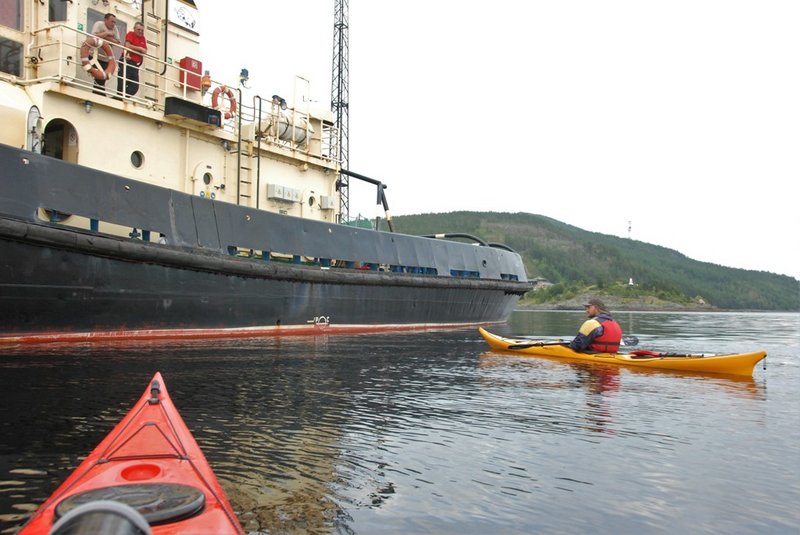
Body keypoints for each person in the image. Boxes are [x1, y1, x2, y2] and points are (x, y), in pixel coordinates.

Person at [91, 13, 120, 95]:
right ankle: (100, 95)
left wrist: (103, 36)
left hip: (106, 59)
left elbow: (117, 42)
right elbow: (93, 36)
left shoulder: (115, 28)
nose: (113, 24)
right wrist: (106, 33)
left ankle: (98, 94)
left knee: (102, 78)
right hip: (94, 56)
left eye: (115, 22)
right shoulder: (99, 24)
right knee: (99, 78)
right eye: (112, 22)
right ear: (105, 20)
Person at [117, 22, 147, 98]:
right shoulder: (131, 34)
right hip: (126, 61)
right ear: (134, 29)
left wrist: (135, 48)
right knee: (122, 82)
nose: (140, 31)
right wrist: (139, 49)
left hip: (135, 65)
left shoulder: (143, 38)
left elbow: (145, 51)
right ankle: (119, 97)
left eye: (142, 30)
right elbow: (127, 45)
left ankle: (120, 97)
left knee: (134, 87)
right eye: (139, 29)